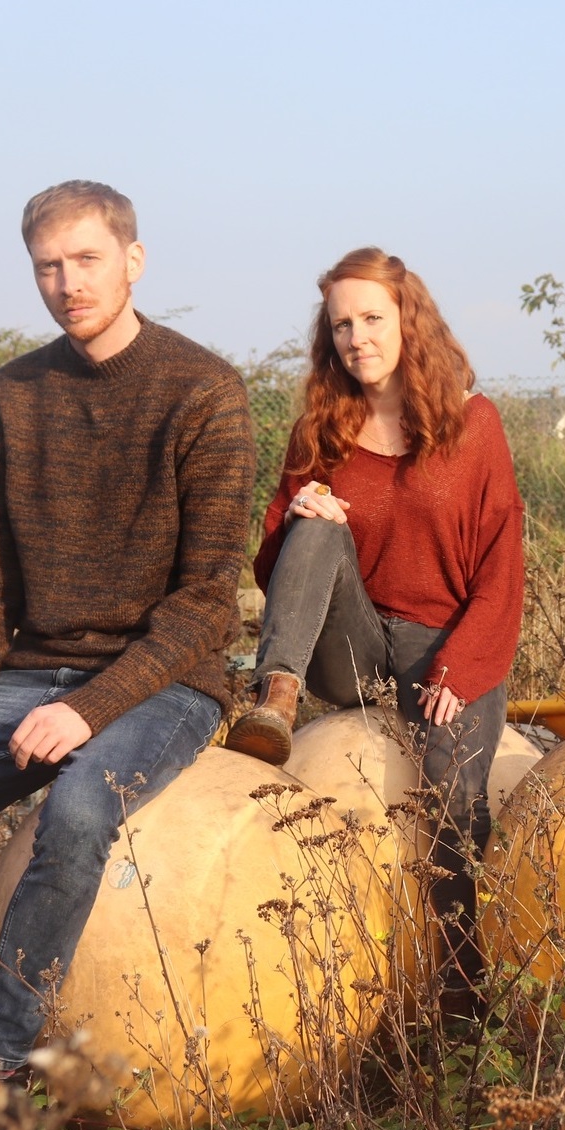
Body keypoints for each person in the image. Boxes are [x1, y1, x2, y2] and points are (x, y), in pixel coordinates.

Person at [0, 181, 256, 1130]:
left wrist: (89, 710)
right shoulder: (12, 397)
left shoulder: (203, 390)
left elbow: (205, 604)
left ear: (133, 260)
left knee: (82, 811)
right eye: (47, 265)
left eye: (86, 259)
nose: (67, 283)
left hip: (166, 680)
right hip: (26, 669)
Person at [225, 247, 524, 1011]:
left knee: (455, 798)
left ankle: (462, 989)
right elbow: (275, 563)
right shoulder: (321, 428)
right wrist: (298, 514)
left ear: (407, 320)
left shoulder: (474, 423)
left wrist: (462, 667)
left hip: (441, 638)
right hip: (350, 643)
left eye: (371, 319)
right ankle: (276, 697)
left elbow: (502, 561)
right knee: (315, 523)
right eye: (342, 325)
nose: (357, 338)